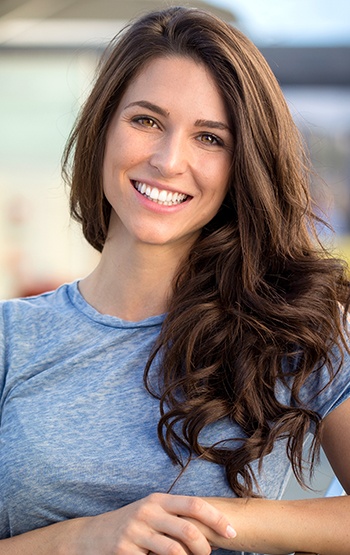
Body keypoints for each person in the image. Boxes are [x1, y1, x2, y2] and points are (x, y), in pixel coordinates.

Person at [0, 6, 349, 555]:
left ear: (242, 166)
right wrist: (81, 537)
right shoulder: (10, 338)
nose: (168, 160)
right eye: (147, 121)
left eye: (210, 138)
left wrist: (202, 519)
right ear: (103, 128)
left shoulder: (294, 328)